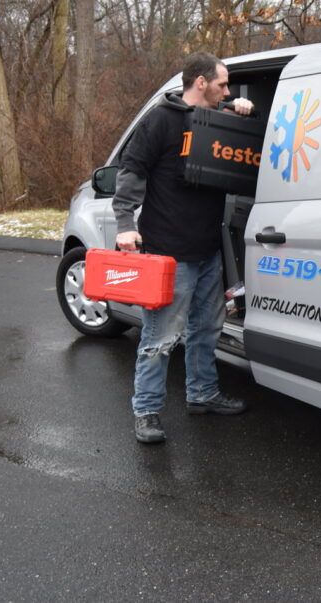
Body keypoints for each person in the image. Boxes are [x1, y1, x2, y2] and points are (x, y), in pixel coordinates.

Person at [113, 52, 254, 444]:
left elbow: (240, 152)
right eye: (223, 85)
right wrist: (125, 225)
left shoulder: (218, 118)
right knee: (160, 338)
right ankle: (146, 411)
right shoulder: (160, 120)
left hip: (207, 248)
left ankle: (203, 394)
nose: (228, 91)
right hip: (167, 252)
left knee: (206, 329)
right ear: (200, 82)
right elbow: (130, 173)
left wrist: (239, 110)